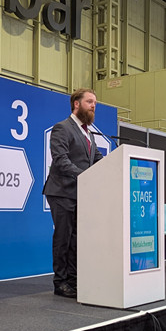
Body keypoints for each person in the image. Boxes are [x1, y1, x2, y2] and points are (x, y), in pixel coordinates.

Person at [43, 88, 103, 298]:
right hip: (62, 191)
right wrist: (85, 176)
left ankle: (73, 280)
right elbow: (61, 160)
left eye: (95, 103)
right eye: (89, 102)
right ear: (76, 104)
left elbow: (98, 159)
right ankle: (60, 283)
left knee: (76, 239)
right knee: (63, 238)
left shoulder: (89, 134)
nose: (93, 106)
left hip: (80, 193)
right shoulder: (62, 128)